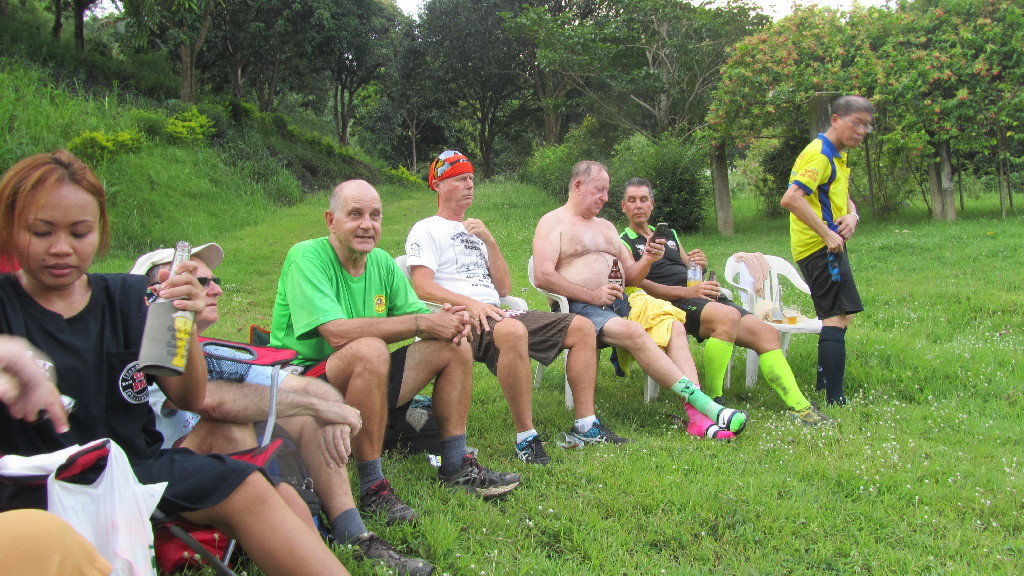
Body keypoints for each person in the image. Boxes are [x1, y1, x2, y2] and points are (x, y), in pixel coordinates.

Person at [0, 150, 351, 576]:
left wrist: (184, 324)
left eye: (79, 232)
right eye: (41, 231)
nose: (61, 248)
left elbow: (189, 396)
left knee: (246, 485)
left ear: (100, 232)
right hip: (28, 482)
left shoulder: (127, 298)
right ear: (12, 228)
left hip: (135, 469)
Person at [132, 244, 434, 575]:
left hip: (219, 475)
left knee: (306, 417)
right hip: (164, 479)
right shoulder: (145, 350)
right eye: (201, 282)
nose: (216, 289)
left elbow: (300, 386)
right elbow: (212, 401)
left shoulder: (211, 352)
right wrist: (319, 407)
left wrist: (329, 408)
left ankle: (351, 532)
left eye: (213, 281)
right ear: (156, 293)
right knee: (231, 425)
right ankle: (297, 545)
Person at [270, 179, 520, 518]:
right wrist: (421, 324)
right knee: (369, 349)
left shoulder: (382, 263)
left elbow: (421, 316)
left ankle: (456, 465)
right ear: (331, 220)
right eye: (355, 214)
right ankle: (372, 486)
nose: (367, 225)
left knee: (453, 344)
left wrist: (449, 319)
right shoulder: (306, 257)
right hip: (304, 384)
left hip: (362, 378)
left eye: (375, 215)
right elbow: (335, 334)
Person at [405, 150, 626, 466]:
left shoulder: (474, 231)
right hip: (462, 316)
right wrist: (472, 304)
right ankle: (526, 437)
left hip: (496, 311)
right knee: (511, 330)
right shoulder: (426, 229)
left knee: (581, 327)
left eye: (471, 178)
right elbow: (422, 286)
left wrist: (490, 241)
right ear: (438, 185)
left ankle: (586, 425)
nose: (469, 185)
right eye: (460, 179)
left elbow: (505, 288)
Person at [532, 160, 748, 440]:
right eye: (599, 190)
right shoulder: (553, 222)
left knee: (673, 325)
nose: (605, 197)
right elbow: (543, 276)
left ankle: (697, 419)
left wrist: (648, 258)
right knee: (633, 331)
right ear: (578, 185)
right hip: (578, 306)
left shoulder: (606, 227)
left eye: (607, 190)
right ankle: (707, 407)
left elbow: (632, 276)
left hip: (620, 302)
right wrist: (593, 295)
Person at [619, 178, 831, 426]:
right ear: (623, 206)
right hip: (669, 304)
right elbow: (637, 284)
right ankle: (713, 402)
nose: (638, 205)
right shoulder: (623, 242)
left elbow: (689, 268)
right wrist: (687, 292)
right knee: (728, 317)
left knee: (767, 333)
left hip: (698, 295)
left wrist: (699, 264)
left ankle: (800, 407)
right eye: (632, 200)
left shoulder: (669, 234)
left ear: (652, 204)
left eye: (643, 199)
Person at [781, 95, 874, 406]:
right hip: (818, 247)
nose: (861, 131)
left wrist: (853, 215)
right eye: (856, 123)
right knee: (835, 317)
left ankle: (825, 382)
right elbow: (791, 198)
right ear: (836, 120)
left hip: (829, 244)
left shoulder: (837, 155)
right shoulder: (820, 154)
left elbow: (840, 194)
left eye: (866, 126)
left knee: (842, 315)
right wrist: (826, 234)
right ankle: (835, 398)